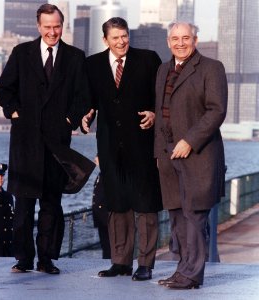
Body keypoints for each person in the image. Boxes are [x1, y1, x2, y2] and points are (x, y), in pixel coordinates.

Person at [0, 4, 92, 274]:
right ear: (38, 26)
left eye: (57, 26)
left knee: (51, 204)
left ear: (63, 25)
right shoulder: (21, 53)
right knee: (23, 207)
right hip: (25, 143)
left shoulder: (75, 57)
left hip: (56, 144)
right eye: (47, 27)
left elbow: (83, 97)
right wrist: (13, 111)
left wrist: (71, 120)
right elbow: (3, 89)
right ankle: (23, 259)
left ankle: (46, 260)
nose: (52, 32)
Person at [82, 17, 163, 281]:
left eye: (125, 36)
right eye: (115, 38)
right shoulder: (92, 64)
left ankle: (146, 263)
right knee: (117, 205)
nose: (122, 42)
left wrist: (153, 113)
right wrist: (85, 115)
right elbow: (88, 100)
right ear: (105, 40)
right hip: (109, 147)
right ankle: (120, 262)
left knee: (146, 205)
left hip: (142, 144)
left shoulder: (149, 59)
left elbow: (161, 98)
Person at [154, 22, 228, 289]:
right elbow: (161, 113)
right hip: (168, 156)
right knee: (176, 217)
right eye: (175, 38)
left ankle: (192, 275)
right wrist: (159, 155)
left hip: (198, 155)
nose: (181, 43)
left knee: (194, 217)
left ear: (195, 39)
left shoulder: (211, 68)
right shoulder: (163, 69)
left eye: (186, 38)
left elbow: (216, 111)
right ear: (168, 41)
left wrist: (189, 141)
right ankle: (182, 270)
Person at [92, 156, 111, 259]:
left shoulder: (106, 175)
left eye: (97, 157)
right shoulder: (101, 174)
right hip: (100, 216)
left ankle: (109, 263)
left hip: (105, 216)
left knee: (108, 245)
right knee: (105, 245)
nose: (95, 159)